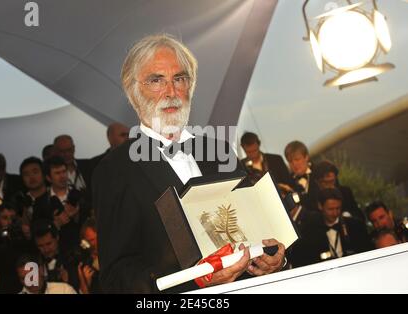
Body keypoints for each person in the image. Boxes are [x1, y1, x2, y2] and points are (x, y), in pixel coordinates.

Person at [93, 34, 285, 293]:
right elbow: (116, 277)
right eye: (156, 80)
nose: (171, 92)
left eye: (179, 79)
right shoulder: (115, 169)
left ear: (191, 86)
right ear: (133, 91)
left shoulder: (219, 152)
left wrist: (275, 258)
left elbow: (253, 232)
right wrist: (194, 279)